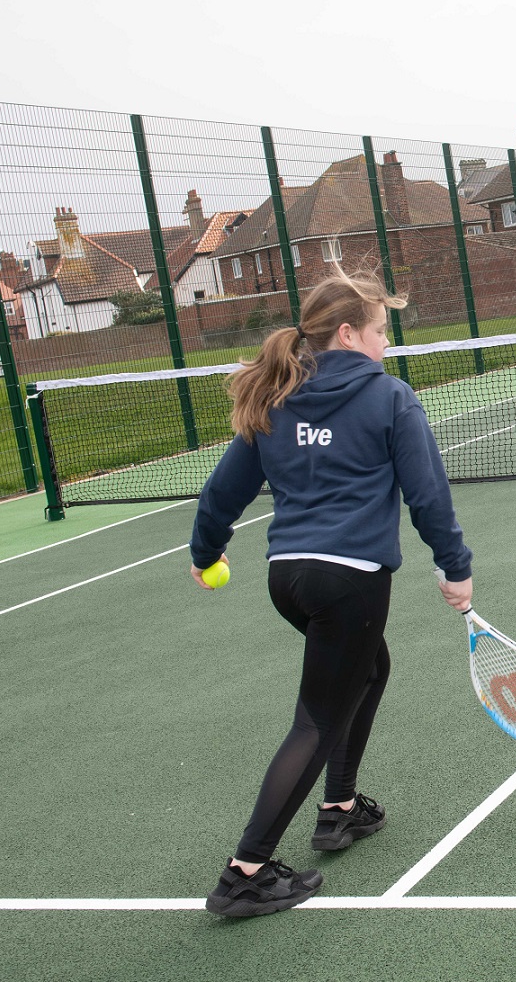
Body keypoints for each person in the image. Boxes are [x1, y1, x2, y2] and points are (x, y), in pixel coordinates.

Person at [189, 271, 473, 918]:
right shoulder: (389, 398)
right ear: (348, 333)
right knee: (315, 718)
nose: (385, 346)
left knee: (369, 669)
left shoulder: (279, 396)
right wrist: (455, 567)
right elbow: (428, 495)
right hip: (350, 580)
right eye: (380, 332)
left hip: (287, 577)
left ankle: (339, 806)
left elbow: (221, 494)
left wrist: (205, 553)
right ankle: (246, 871)